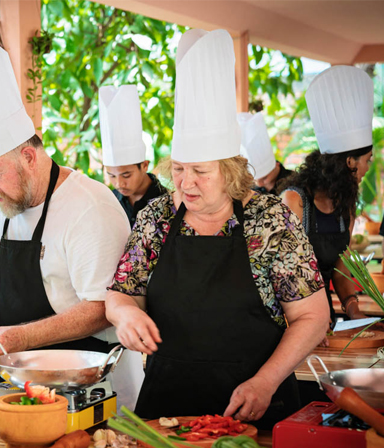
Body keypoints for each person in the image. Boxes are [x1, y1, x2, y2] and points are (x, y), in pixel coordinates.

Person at [105, 29, 329, 426]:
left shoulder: (271, 220)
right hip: (165, 415)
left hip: (257, 407)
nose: (185, 183)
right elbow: (120, 295)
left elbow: (313, 317)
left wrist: (266, 380)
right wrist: (124, 316)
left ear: (229, 172)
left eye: (200, 172)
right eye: (177, 169)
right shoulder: (155, 219)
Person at [0, 41, 140, 408]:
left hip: (86, 386)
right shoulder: (8, 207)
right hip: (16, 382)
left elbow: (102, 306)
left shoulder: (89, 207)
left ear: (28, 156)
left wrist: (21, 339)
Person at [281, 66, 374, 327]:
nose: (367, 169)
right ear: (349, 162)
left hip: (325, 321)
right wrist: (306, 324)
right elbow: (285, 275)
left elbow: (340, 270)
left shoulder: (346, 207)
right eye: (367, 160)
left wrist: (354, 311)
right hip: (293, 321)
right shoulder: (294, 201)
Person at [99, 84, 167, 226]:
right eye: (111, 175)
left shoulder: (166, 201)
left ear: (144, 165)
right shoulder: (108, 201)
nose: (119, 184)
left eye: (126, 175)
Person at [237, 111, 293, 196]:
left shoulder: (293, 182)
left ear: (276, 164)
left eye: (264, 178)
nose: (259, 184)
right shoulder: (250, 189)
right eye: (254, 180)